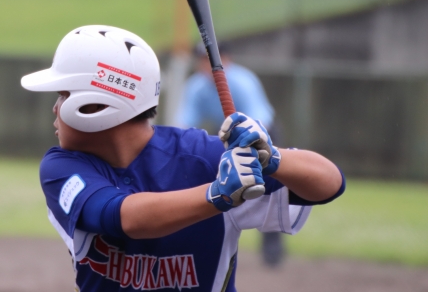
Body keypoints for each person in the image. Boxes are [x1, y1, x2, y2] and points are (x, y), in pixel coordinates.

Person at [21, 25, 345, 292]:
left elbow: (331, 183)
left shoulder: (202, 157)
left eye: (63, 95)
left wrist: (271, 158)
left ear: (96, 104)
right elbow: (124, 218)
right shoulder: (62, 167)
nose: (55, 108)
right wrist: (217, 194)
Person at [177, 43, 285, 267]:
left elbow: (260, 122)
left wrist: (248, 152)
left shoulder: (242, 81)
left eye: (209, 60)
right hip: (228, 138)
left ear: (226, 60)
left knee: (271, 189)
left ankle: (272, 248)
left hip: (263, 135)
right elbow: (184, 126)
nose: (205, 66)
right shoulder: (196, 87)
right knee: (214, 187)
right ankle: (206, 244)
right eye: (201, 60)